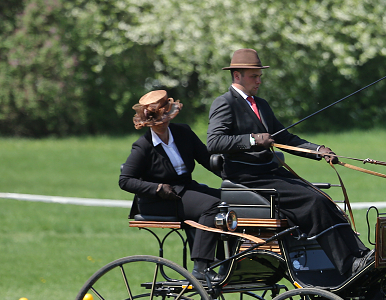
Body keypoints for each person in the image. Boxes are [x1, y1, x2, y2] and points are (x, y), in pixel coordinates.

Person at [206, 48, 372, 278]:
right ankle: (346, 265)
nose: (259, 80)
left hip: (270, 172)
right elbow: (214, 142)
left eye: (260, 75)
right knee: (313, 201)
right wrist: (253, 139)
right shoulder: (225, 103)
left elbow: (286, 138)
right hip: (249, 177)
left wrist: (317, 150)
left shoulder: (261, 104)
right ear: (237, 76)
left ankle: (359, 255)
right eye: (254, 76)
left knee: (323, 198)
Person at [119, 90, 223, 280]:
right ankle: (201, 267)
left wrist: (234, 176)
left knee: (230, 199)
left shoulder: (183, 132)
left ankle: (224, 261)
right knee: (212, 206)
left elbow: (208, 160)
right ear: (149, 122)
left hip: (184, 189)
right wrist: (157, 188)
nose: (164, 121)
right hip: (157, 200)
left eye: (166, 115)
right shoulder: (143, 146)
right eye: (159, 119)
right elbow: (125, 180)